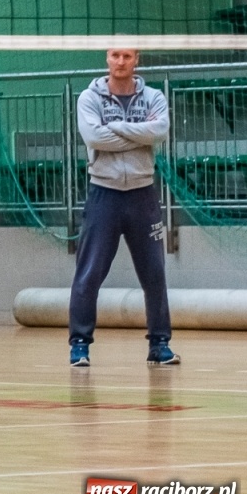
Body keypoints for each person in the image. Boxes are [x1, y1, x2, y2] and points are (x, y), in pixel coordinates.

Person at [70, 49, 177, 367]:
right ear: (107, 58)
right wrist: (139, 134)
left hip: (143, 195)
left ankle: (159, 345)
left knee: (154, 274)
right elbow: (93, 136)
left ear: (136, 59)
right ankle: (79, 345)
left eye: (127, 56)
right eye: (115, 55)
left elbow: (160, 131)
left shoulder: (154, 96)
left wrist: (113, 130)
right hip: (104, 194)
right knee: (89, 274)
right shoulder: (89, 98)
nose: (120, 61)